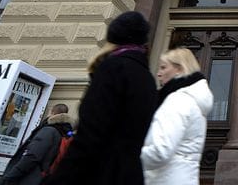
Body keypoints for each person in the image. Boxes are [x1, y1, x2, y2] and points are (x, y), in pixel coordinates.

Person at [43, 11, 158, 185]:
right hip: (130, 174)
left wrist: (59, 179)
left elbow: (91, 135)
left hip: (99, 172)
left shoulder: (113, 68)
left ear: (114, 36)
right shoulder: (147, 77)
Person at [140, 48, 213, 185]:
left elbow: (160, 150)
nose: (158, 74)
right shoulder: (193, 100)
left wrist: (127, 156)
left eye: (163, 67)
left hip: (166, 179)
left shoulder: (178, 100)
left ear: (179, 69)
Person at [0, 104, 74, 185]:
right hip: (44, 177)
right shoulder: (64, 132)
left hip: (29, 178)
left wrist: (11, 175)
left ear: (52, 112)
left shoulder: (48, 130)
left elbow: (33, 156)